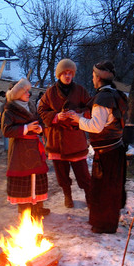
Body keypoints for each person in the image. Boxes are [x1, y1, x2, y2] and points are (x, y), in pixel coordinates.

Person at [69, 60, 128, 233]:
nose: (92, 78)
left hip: (108, 154)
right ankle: (106, 223)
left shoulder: (104, 97)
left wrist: (77, 119)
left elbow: (96, 126)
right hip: (115, 150)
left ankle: (104, 225)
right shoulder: (115, 94)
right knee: (110, 188)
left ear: (99, 78)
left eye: (94, 76)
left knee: (105, 190)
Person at [38, 58, 91, 208]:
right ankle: (67, 195)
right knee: (62, 175)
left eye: (70, 73)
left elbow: (91, 108)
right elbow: (41, 110)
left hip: (76, 140)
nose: (67, 76)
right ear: (59, 75)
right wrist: (55, 117)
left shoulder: (80, 90)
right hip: (57, 140)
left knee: (83, 174)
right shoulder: (50, 93)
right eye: (64, 73)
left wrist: (78, 115)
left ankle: (89, 194)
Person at [1, 78, 50, 217]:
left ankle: (38, 208)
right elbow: (6, 130)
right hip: (20, 152)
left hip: (34, 150)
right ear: (17, 94)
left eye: (28, 91)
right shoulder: (9, 111)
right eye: (25, 91)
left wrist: (39, 128)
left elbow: (40, 121)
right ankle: (25, 212)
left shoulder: (32, 107)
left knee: (37, 180)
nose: (29, 94)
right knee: (24, 181)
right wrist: (26, 128)